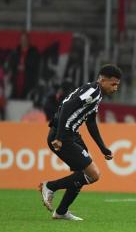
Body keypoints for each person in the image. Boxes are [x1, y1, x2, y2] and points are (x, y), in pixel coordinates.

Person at [39, 64, 122, 221]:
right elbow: (66, 107)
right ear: (103, 80)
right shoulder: (93, 91)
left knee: (81, 174)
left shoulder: (96, 94)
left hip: (71, 134)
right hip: (64, 135)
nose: (116, 88)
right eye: (113, 84)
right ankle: (50, 186)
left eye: (117, 84)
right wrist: (60, 137)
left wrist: (103, 148)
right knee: (93, 175)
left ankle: (62, 211)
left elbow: (91, 122)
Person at [8, 31, 40, 99]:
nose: (23, 41)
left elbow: (35, 67)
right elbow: (11, 65)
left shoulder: (33, 53)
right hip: (16, 83)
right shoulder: (16, 52)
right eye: (22, 40)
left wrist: (25, 67)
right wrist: (17, 67)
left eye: (25, 39)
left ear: (28, 40)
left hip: (28, 83)